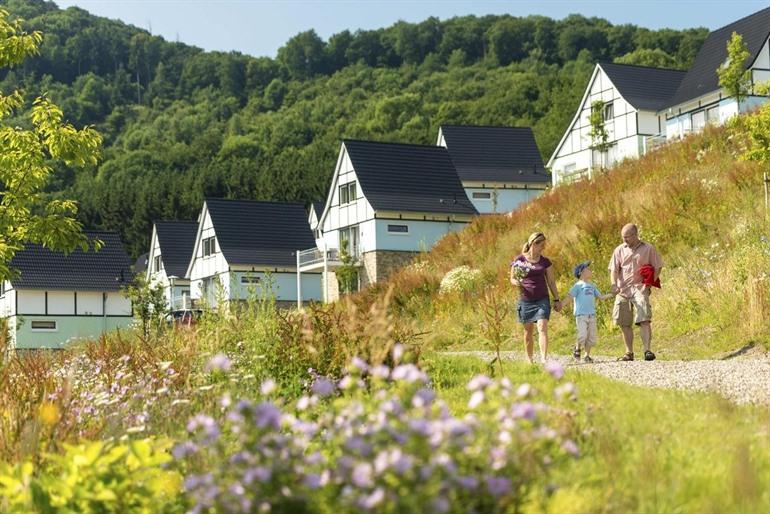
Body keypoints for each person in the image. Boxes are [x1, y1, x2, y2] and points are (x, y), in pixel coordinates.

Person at [608, 224, 664, 361]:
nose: (624, 240)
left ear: (635, 235)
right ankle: (629, 353)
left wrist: (649, 283)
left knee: (644, 318)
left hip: (640, 288)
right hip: (623, 290)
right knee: (624, 322)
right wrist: (614, 284)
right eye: (623, 237)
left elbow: (658, 266)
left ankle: (647, 351)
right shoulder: (619, 250)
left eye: (627, 237)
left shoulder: (648, 248)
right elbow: (614, 270)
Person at [510, 232, 563, 364]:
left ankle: (544, 358)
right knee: (528, 332)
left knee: (542, 326)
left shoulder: (545, 262)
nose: (543, 248)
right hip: (526, 299)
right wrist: (515, 282)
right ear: (533, 244)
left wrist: (557, 299)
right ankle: (529, 358)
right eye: (541, 245)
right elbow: (512, 278)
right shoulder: (519, 260)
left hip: (542, 299)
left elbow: (551, 282)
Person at [567, 261, 616, 363]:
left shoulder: (592, 285)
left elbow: (601, 297)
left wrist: (613, 294)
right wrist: (560, 304)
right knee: (582, 335)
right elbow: (570, 297)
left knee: (591, 338)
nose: (590, 271)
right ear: (581, 272)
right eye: (588, 269)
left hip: (591, 315)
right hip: (581, 316)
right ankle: (577, 349)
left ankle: (587, 356)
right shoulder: (577, 286)